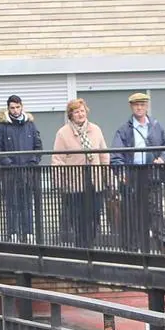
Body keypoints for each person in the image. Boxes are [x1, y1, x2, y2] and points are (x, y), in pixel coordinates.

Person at [110, 92, 165, 251]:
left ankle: (163, 246)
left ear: (147, 106)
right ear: (131, 107)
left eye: (142, 104)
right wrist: (121, 172)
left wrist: (163, 159)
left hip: (153, 174)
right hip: (131, 176)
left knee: (156, 212)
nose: (139, 107)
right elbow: (116, 154)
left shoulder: (156, 126)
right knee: (132, 214)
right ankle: (132, 248)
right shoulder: (124, 130)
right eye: (136, 105)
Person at [51, 99, 109, 248]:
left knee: (95, 216)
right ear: (71, 115)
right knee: (77, 219)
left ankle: (90, 244)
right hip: (74, 183)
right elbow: (58, 159)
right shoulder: (63, 133)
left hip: (94, 180)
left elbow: (104, 154)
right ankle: (82, 248)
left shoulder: (95, 129)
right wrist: (59, 183)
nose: (80, 114)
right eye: (76, 112)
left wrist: (107, 176)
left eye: (82, 111)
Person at [0, 95, 43, 242]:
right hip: (10, 173)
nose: (15, 110)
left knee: (27, 204)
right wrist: (9, 164)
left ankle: (29, 234)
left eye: (18, 107)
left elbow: (38, 147)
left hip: (28, 172)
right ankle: (13, 234)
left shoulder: (30, 125)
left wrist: (33, 162)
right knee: (12, 204)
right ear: (8, 108)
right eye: (12, 108)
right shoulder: (1, 126)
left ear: (22, 107)